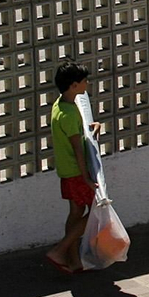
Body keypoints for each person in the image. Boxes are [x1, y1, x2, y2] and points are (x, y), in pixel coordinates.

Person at [44, 60, 100, 275]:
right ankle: (59, 251)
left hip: (67, 171)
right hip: (77, 172)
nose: (87, 84)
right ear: (74, 85)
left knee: (76, 213)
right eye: (84, 81)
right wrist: (86, 178)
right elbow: (77, 149)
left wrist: (89, 128)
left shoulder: (61, 105)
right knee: (97, 210)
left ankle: (73, 261)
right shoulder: (68, 114)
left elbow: (76, 134)